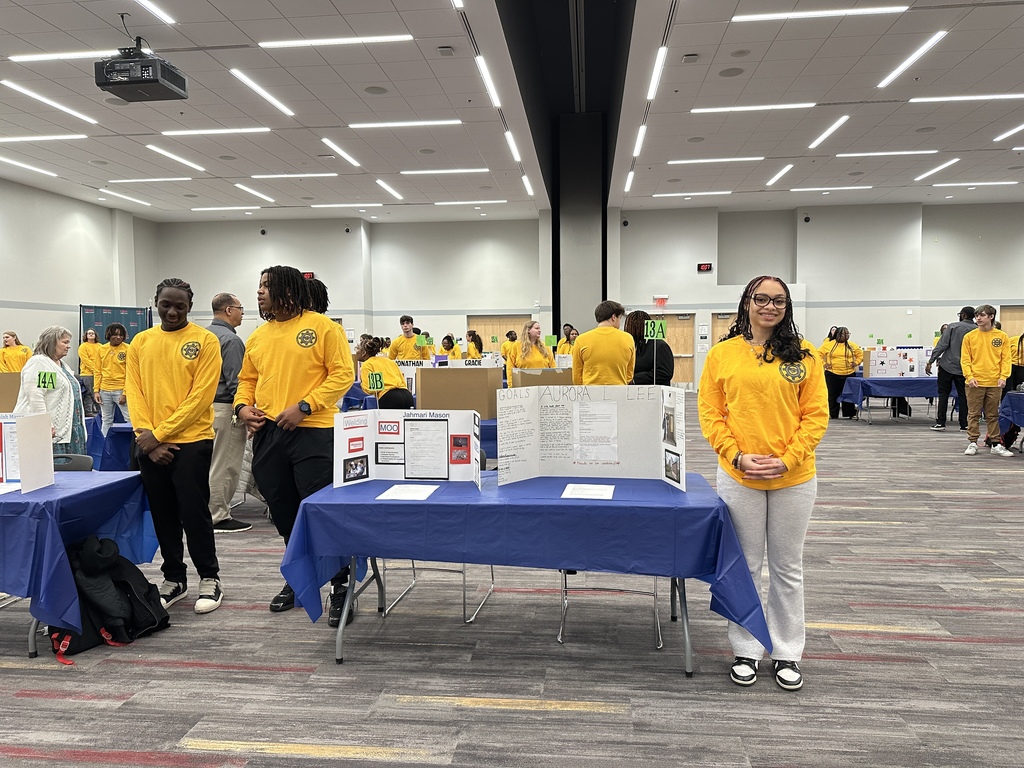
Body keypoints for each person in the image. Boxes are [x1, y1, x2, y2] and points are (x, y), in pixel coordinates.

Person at [697, 275, 828, 691]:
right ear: (747, 303)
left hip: (794, 477)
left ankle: (788, 651)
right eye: (762, 299)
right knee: (746, 566)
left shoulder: (805, 355)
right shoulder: (722, 355)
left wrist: (788, 460)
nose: (770, 306)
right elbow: (711, 414)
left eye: (779, 301)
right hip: (739, 475)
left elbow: (816, 415)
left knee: (788, 567)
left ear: (787, 307)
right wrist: (735, 455)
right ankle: (747, 648)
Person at [234, 265, 355, 626]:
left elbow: (343, 374)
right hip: (270, 433)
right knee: (284, 512)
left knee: (320, 512)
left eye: (267, 286)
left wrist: (305, 406)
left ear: (288, 290)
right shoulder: (258, 336)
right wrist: (242, 407)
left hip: (314, 432)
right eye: (259, 286)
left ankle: (340, 584)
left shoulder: (323, 328)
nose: (259, 293)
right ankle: (300, 577)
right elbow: (246, 380)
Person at [126, 278, 224, 615]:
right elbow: (134, 393)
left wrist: (160, 434)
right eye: (166, 304)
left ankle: (210, 578)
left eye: (179, 306)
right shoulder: (140, 342)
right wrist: (147, 439)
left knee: (194, 512)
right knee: (163, 513)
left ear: (189, 307)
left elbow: (200, 397)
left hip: (192, 441)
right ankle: (174, 577)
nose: (172, 311)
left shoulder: (205, 341)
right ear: (156, 301)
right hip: (150, 443)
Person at [206, 293, 251, 533]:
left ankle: (208, 510)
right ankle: (217, 515)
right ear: (229, 310)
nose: (243, 313)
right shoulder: (231, 341)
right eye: (241, 308)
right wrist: (244, 410)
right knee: (225, 464)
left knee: (210, 463)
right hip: (225, 408)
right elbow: (237, 383)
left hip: (203, 408)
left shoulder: (201, 336)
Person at [14, 326, 88, 456]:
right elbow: (36, 396)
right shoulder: (40, 362)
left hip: (69, 431)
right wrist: (45, 424)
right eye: (65, 342)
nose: (68, 346)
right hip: (51, 432)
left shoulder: (61, 364)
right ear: (52, 342)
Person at [961, 304, 1012, 456]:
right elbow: (965, 359)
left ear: (991, 317)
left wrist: (1003, 377)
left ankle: (995, 443)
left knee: (992, 414)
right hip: (974, 381)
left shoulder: (1001, 337)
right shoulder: (969, 337)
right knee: (973, 413)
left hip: (994, 381)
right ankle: (972, 442)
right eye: (977, 315)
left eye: (982, 315)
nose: (978, 318)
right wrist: (969, 376)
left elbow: (1006, 359)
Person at [926, 306, 975, 431]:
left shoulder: (953, 327)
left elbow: (942, 345)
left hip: (947, 366)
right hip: (966, 369)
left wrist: (931, 361)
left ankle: (941, 423)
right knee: (964, 396)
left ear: (963, 315)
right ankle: (964, 424)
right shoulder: (977, 330)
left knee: (943, 394)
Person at [571, 300, 635, 385]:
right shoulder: (628, 338)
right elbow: (629, 373)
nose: (620, 322)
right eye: (619, 318)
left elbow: (576, 375)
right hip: (618, 393)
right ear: (613, 317)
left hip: (590, 394)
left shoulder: (581, 340)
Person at [93, 323, 130, 435]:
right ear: (109, 335)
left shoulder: (128, 349)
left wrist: (125, 393)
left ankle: (133, 445)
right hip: (104, 390)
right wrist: (96, 391)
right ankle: (104, 445)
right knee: (106, 420)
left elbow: (131, 373)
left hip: (121, 390)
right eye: (115, 335)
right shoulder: (101, 349)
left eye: (121, 335)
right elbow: (97, 371)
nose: (118, 337)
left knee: (130, 419)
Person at [819, 326, 863, 419]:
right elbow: (817, 355)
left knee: (848, 394)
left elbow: (861, 355)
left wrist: (856, 363)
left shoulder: (852, 345)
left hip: (849, 374)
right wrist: (824, 364)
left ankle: (849, 413)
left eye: (848, 334)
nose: (847, 336)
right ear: (838, 335)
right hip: (832, 374)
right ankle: (833, 414)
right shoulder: (828, 345)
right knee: (832, 395)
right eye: (844, 334)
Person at [357, 337, 414, 408]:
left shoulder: (367, 365)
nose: (356, 351)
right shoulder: (389, 361)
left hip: (389, 397)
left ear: (363, 353)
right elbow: (402, 379)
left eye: (357, 348)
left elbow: (370, 389)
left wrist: (362, 384)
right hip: (407, 395)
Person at [624, 310, 674, 385]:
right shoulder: (631, 345)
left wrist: (634, 379)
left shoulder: (659, 346)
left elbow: (664, 373)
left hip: (654, 392)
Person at [505, 320, 555, 384]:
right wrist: (511, 386)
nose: (539, 330)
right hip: (524, 385)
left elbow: (553, 366)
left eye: (539, 328)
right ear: (528, 330)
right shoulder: (516, 347)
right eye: (536, 328)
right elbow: (510, 369)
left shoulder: (545, 347)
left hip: (543, 385)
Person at [77, 328, 102, 417]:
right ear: (86, 336)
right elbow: (85, 360)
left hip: (99, 373)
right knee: (91, 393)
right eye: (89, 333)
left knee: (93, 393)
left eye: (92, 333)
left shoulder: (100, 346)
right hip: (87, 374)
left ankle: (93, 412)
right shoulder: (83, 346)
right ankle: (95, 411)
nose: (91, 335)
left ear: (95, 335)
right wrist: (96, 369)